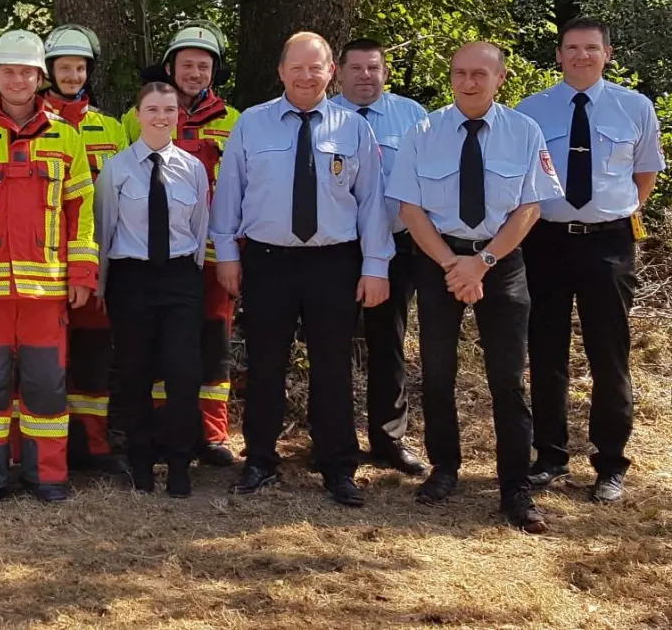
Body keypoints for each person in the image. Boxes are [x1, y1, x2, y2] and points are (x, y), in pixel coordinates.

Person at [211, 31, 392, 507]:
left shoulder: (354, 128)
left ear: (331, 71)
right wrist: (227, 256)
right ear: (281, 72)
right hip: (269, 261)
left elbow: (372, 203)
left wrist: (376, 266)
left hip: (334, 262)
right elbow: (228, 194)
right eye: (297, 67)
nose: (306, 76)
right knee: (266, 364)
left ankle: (337, 466)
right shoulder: (252, 124)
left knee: (332, 368)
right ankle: (260, 460)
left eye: (316, 67)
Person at [388, 42, 562, 531]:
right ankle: (445, 470)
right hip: (438, 259)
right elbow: (409, 208)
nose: (469, 82)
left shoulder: (524, 132)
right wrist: (451, 265)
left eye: (480, 74)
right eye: (460, 73)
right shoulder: (423, 131)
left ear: (500, 78)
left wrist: (481, 263)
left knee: (508, 378)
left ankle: (515, 488)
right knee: (438, 373)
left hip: (499, 261)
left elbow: (530, 207)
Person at [0, 30, 98, 509]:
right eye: (9, 71)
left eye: (26, 72)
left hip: (46, 294)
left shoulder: (67, 139)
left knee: (46, 388)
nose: (18, 80)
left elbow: (81, 212)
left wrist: (82, 275)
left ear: (39, 78)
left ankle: (47, 476)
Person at [517, 17, 665, 504]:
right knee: (546, 351)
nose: (581, 56)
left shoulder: (634, 107)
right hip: (546, 242)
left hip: (609, 244)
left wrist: (612, 214)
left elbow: (644, 175)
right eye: (572, 48)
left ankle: (610, 464)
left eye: (591, 48)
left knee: (609, 354)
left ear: (608, 53)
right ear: (558, 54)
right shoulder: (530, 111)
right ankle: (550, 457)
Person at [127, 21, 240, 467]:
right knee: (158, 343)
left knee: (213, 343)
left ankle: (210, 434)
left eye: (204, 66)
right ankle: (162, 430)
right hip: (158, 254)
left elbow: (243, 189)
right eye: (187, 64)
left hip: (213, 254)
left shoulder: (235, 122)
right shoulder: (136, 116)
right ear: (170, 67)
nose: (195, 72)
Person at [96, 82, 210, 497]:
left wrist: (191, 278)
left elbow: (199, 229)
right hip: (132, 280)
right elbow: (105, 228)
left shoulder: (193, 169)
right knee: (135, 372)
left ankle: (179, 463)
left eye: (169, 109)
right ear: (137, 115)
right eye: (152, 109)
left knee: (183, 373)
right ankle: (141, 463)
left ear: (178, 115)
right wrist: (103, 286)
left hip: (179, 278)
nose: (161, 117)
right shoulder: (117, 169)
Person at [331, 39, 430, 476]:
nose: (365, 76)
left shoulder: (413, 117)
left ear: (385, 72)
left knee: (387, 343)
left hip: (396, 246)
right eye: (356, 68)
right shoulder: (324, 117)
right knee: (329, 343)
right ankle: (332, 440)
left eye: (374, 68)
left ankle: (389, 439)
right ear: (338, 72)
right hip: (335, 249)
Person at [42, 24, 130, 473]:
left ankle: (93, 447)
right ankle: (44, 451)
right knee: (44, 361)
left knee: (94, 356)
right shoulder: (34, 124)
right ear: (48, 72)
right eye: (64, 67)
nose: (73, 75)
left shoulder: (111, 128)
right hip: (42, 261)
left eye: (80, 68)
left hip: (97, 258)